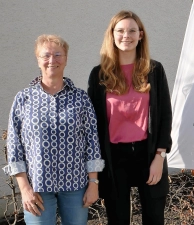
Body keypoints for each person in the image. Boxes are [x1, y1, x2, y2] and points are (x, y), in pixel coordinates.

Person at [2, 34, 104, 225]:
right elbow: (15, 145)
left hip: (75, 185)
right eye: (46, 55)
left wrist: (93, 183)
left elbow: (92, 142)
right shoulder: (23, 99)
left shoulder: (81, 99)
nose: (52, 60)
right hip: (37, 186)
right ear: (38, 60)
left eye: (58, 54)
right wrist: (24, 188)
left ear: (66, 59)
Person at [87, 10, 172, 225]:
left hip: (149, 153)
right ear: (112, 35)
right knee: (118, 219)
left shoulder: (154, 69)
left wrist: (159, 156)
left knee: (154, 218)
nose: (127, 36)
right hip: (114, 158)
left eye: (132, 30)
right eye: (121, 31)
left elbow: (164, 115)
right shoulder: (99, 75)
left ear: (140, 35)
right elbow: (93, 123)